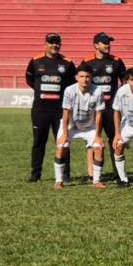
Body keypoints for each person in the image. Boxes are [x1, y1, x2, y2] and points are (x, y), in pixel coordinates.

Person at [25, 33, 76, 183]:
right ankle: (36, 174)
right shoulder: (36, 61)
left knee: (63, 142)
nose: (54, 45)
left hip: (60, 110)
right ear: (45, 44)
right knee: (38, 142)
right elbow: (30, 79)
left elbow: (73, 83)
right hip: (40, 110)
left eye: (57, 43)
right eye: (51, 42)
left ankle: (65, 174)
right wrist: (40, 90)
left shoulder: (67, 63)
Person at [80, 32, 126, 183]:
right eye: (104, 43)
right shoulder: (87, 62)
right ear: (96, 45)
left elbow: (125, 81)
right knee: (92, 140)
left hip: (111, 108)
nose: (107, 45)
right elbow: (81, 82)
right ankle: (92, 174)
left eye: (108, 42)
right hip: (93, 109)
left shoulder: (117, 62)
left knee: (114, 140)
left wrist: (119, 97)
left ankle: (117, 174)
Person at [53, 63, 105, 189]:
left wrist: (98, 135)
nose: (84, 79)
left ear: (91, 77)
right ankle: (58, 181)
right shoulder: (70, 90)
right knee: (62, 147)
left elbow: (99, 115)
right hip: (71, 126)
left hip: (90, 126)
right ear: (77, 77)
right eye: (81, 76)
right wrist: (65, 134)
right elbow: (65, 114)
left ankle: (96, 181)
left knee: (99, 148)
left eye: (87, 76)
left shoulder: (98, 91)